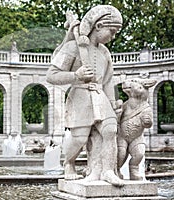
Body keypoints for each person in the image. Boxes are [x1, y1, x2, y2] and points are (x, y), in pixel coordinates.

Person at [47, 5, 123, 186]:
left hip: (100, 95)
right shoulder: (73, 47)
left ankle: (108, 171)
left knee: (110, 130)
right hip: (79, 96)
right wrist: (76, 75)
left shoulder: (105, 52)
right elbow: (51, 75)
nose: (112, 37)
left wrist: (112, 102)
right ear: (98, 26)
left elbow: (108, 81)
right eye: (111, 31)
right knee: (80, 137)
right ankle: (68, 163)